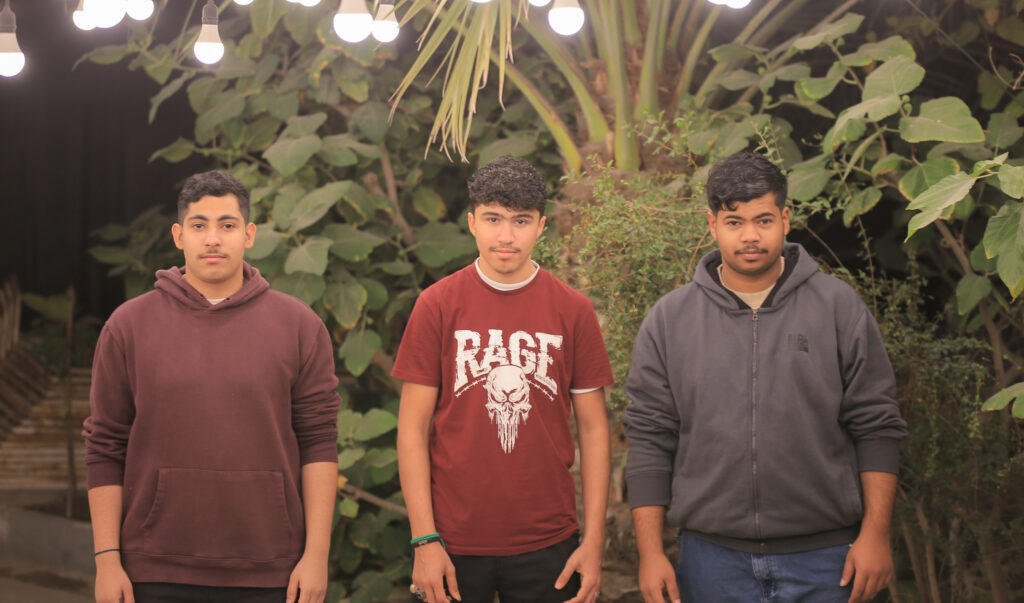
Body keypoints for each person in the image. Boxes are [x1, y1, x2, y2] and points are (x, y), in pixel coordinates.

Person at [623, 151, 908, 603]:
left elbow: (876, 425)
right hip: (711, 561)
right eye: (734, 222)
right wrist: (650, 552)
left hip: (827, 560)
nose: (750, 236)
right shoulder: (669, 319)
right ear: (712, 224)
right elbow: (649, 437)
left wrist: (876, 535)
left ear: (785, 219)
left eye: (763, 220)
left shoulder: (837, 307)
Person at [83, 171, 340, 603]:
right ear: (179, 236)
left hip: (272, 570)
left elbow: (318, 442)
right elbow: (105, 445)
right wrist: (107, 562)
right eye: (199, 225)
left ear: (249, 234)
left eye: (227, 225)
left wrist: (316, 557)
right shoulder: (128, 326)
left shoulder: (299, 326)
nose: (213, 239)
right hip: (154, 567)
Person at [393, 156, 613, 603]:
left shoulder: (573, 310)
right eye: (493, 219)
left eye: (521, 221)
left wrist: (594, 541)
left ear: (541, 227)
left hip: (550, 540)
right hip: (450, 540)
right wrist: (424, 539)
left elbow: (594, 430)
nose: (507, 236)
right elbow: (412, 429)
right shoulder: (437, 305)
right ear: (472, 223)